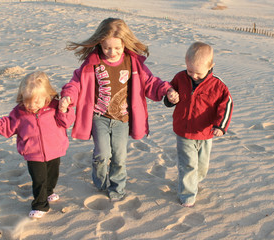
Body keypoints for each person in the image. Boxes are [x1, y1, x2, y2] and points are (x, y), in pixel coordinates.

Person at [61, 18, 174, 201]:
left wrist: (166, 90)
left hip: (122, 119)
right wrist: (68, 96)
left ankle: (117, 189)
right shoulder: (93, 63)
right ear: (100, 44)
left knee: (120, 158)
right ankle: (100, 181)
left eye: (117, 48)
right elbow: (75, 83)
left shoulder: (132, 62)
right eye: (107, 48)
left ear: (124, 44)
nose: (112, 52)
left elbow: (150, 82)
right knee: (102, 154)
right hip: (99, 117)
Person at [0, 71, 75, 219]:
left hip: (55, 149)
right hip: (33, 152)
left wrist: (64, 109)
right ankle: (40, 205)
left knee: (52, 176)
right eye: (28, 101)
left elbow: (66, 122)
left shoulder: (54, 106)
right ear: (22, 97)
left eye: (37, 101)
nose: (32, 106)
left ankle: (49, 191)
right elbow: (9, 125)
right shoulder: (19, 112)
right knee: (39, 179)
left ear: (47, 96)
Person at [164, 42, 233, 207]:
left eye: (198, 73)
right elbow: (170, 91)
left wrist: (220, 126)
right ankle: (187, 195)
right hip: (184, 131)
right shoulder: (180, 78)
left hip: (206, 132)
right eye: (190, 71)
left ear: (211, 66)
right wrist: (170, 96)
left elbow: (226, 104)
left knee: (202, 166)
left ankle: (194, 180)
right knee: (188, 163)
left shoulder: (218, 86)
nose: (194, 76)